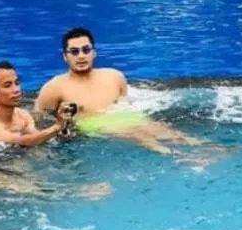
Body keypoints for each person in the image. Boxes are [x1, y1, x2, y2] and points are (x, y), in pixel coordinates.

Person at [34, 27, 202, 155]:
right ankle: (177, 157)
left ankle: (208, 149)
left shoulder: (114, 77)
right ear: (65, 56)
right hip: (94, 125)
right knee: (142, 137)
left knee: (168, 131)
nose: (81, 56)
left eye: (86, 50)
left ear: (94, 53)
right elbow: (38, 119)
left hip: (124, 117)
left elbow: (124, 105)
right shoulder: (53, 88)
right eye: (74, 51)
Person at [0, 61, 71, 146]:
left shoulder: (23, 115)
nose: (16, 90)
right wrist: (58, 126)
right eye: (8, 85)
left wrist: (62, 130)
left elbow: (37, 138)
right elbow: (21, 141)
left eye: (17, 83)